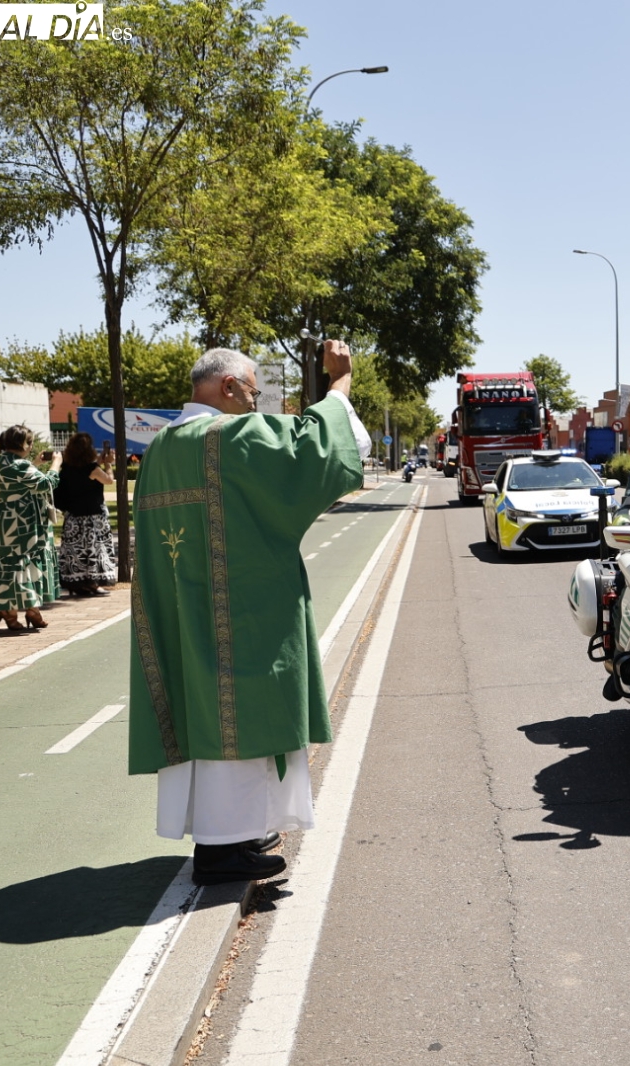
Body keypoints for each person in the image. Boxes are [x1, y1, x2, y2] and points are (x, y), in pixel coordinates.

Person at [129, 343, 370, 886]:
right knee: (237, 715)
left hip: (180, 612)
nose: (256, 403)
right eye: (254, 391)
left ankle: (235, 832)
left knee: (203, 715)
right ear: (230, 387)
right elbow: (331, 447)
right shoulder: (229, 438)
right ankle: (221, 850)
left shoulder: (161, 447)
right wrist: (340, 383)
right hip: (242, 612)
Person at [0, 425, 61, 632]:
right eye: (30, 442)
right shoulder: (19, 465)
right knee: (28, 563)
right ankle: (31, 608)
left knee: (10, 563)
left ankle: (11, 610)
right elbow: (46, 484)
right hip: (25, 522)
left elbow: (18, 481)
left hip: (5, 521)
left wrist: (35, 463)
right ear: (22, 443)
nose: (31, 446)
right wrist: (56, 464)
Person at [54, 432, 117, 596]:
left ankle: (76, 583)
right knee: (94, 550)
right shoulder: (92, 469)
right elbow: (109, 480)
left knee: (74, 551)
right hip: (92, 517)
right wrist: (109, 464)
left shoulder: (66, 467)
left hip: (73, 517)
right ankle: (93, 583)